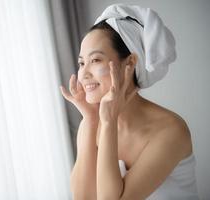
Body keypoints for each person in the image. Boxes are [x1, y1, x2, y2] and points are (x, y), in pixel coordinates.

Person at [60, 4, 199, 200]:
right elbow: (82, 197)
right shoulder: (91, 123)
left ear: (130, 63)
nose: (84, 73)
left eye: (96, 60)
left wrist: (108, 123)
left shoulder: (171, 130)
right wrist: (91, 121)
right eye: (82, 62)